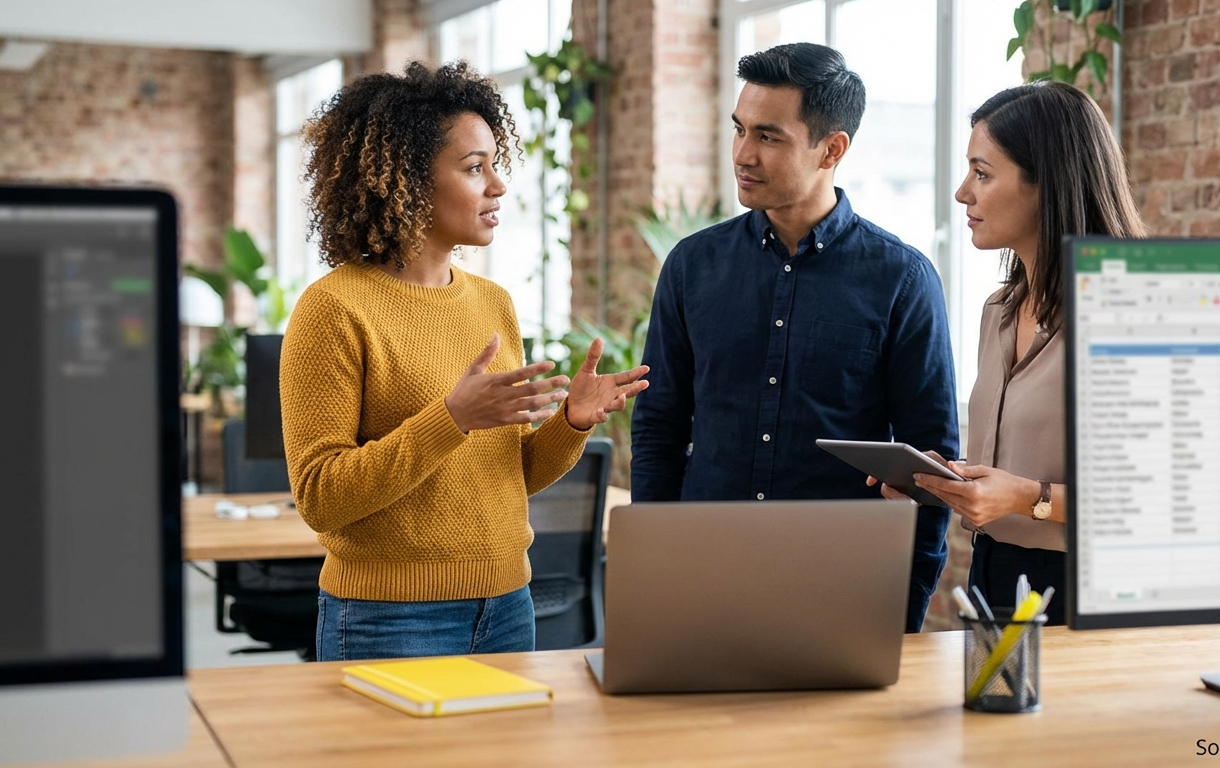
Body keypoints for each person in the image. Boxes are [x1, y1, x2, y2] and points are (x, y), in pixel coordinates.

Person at [280, 61, 649, 661]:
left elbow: (511, 477)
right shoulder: (333, 309)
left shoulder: (492, 304)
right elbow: (320, 497)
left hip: (508, 604)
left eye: (494, 165)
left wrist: (571, 422)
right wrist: (450, 418)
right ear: (406, 180)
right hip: (389, 617)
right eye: (475, 168)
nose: (498, 186)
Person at [631, 43, 959, 632]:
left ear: (831, 149)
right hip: (706, 574)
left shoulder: (901, 280)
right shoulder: (691, 266)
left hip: (841, 583)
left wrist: (905, 608)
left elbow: (930, 462)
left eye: (769, 137)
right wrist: (655, 567)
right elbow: (660, 426)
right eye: (739, 130)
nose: (742, 154)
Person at [875, 81, 1146, 625]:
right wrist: (941, 480)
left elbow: (1152, 499)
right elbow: (1006, 467)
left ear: (1046, 183)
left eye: (982, 173)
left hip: (1090, 587)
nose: (961, 194)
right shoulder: (998, 309)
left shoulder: (1127, 310)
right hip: (993, 570)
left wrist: (1025, 498)